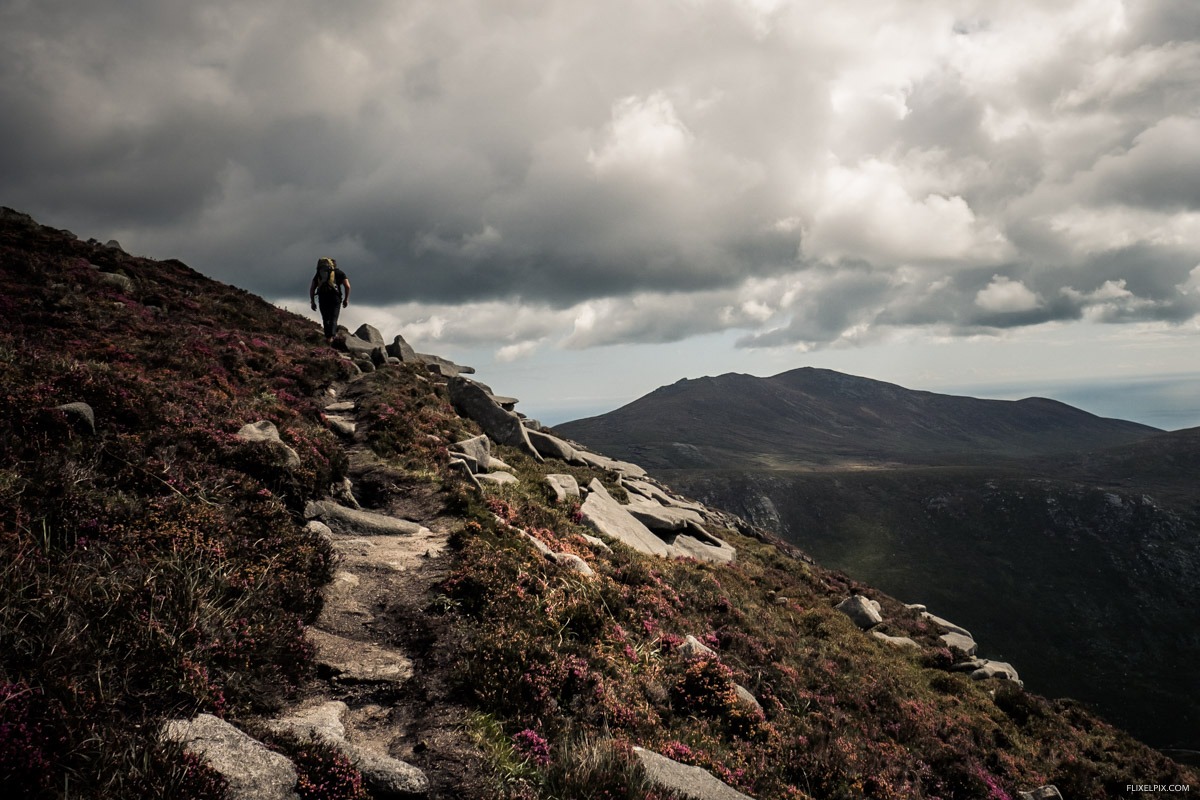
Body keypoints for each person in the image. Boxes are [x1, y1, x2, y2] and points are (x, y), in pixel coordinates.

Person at [309, 257, 351, 342]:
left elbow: (312, 288)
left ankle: (327, 337)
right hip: (335, 297)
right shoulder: (339, 273)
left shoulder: (319, 274)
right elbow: (347, 286)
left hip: (322, 297)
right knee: (333, 317)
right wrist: (346, 299)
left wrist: (313, 302)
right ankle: (331, 337)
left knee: (325, 318)